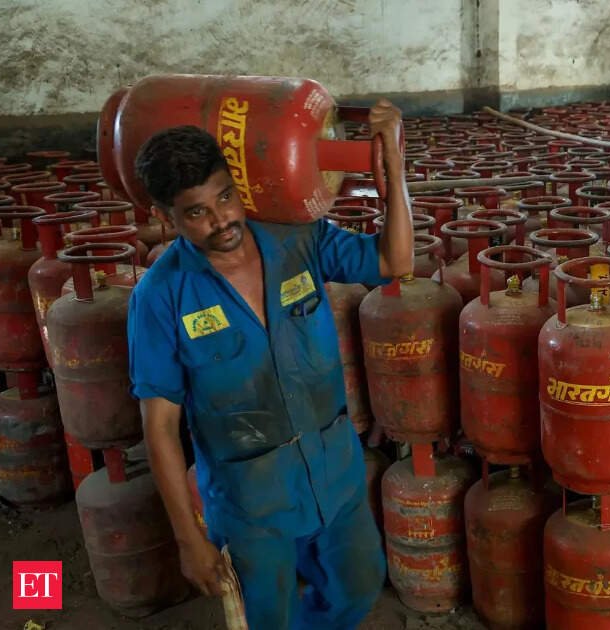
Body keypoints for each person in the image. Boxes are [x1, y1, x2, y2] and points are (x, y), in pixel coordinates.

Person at [127, 100, 412, 629]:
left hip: (333, 470)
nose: (222, 220)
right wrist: (188, 539)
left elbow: (393, 261)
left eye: (225, 196)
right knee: (268, 617)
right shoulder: (161, 297)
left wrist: (393, 165)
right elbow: (160, 426)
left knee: (358, 584)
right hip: (249, 499)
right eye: (197, 212)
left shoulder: (295, 237)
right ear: (166, 218)